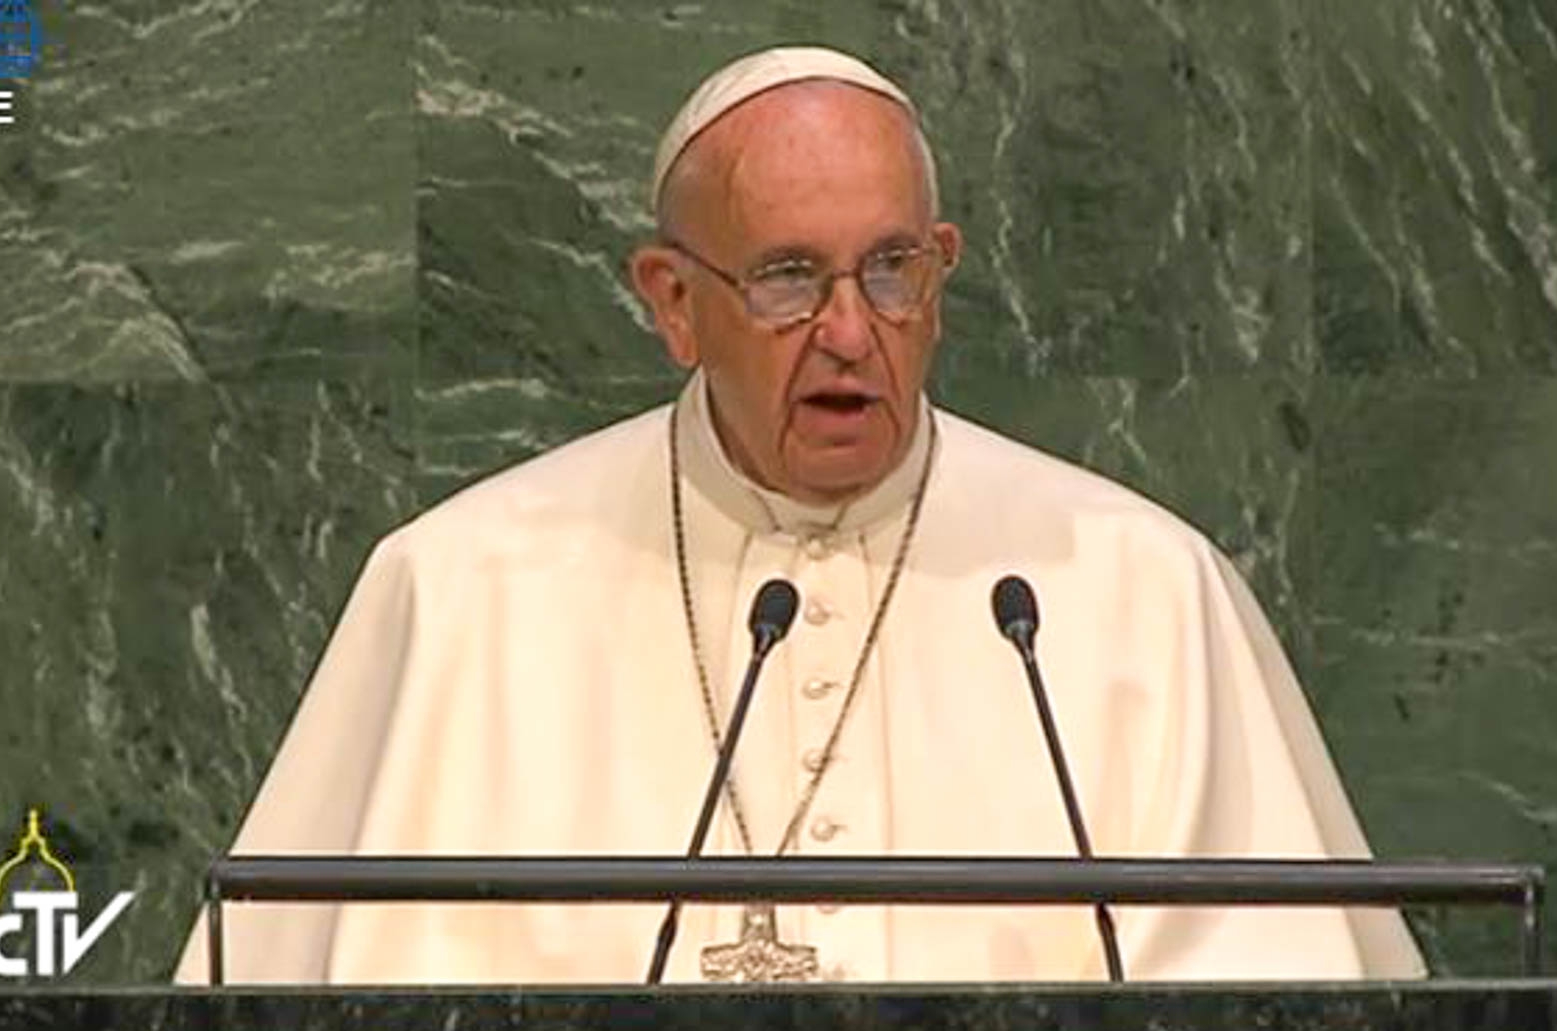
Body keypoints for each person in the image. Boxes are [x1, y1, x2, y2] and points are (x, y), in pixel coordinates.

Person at [175, 45, 1424, 984]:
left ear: (939, 272)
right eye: (785, 276)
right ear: (671, 301)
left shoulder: (1138, 589)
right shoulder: (459, 590)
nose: (847, 331)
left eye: (891, 270)